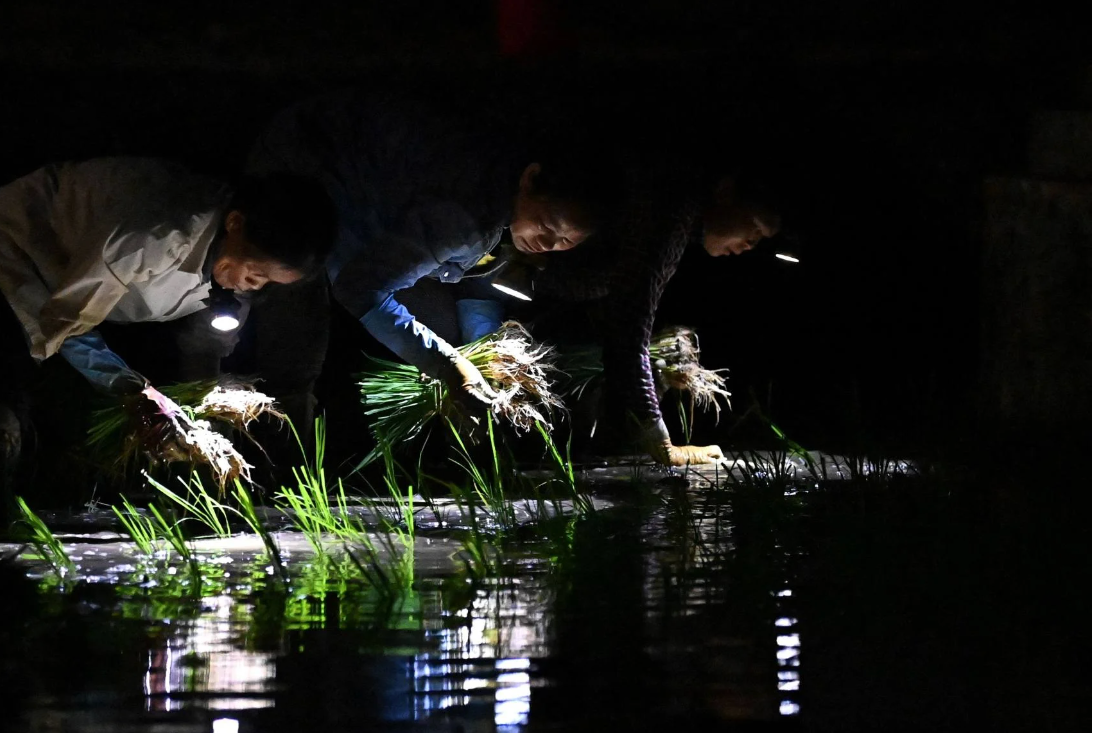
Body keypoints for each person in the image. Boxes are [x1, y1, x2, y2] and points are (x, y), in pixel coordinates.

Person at [0, 156, 337, 520]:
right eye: (256, 272)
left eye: (268, 282)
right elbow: (64, 323)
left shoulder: (229, 265)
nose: (255, 285)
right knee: (10, 385)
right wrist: (133, 390)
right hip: (21, 249)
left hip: (102, 294)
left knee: (105, 403)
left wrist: (202, 415)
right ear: (235, 223)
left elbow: (202, 345)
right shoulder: (155, 235)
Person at [246, 90, 615, 411]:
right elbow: (359, 288)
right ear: (530, 180)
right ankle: (281, 465)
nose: (548, 245)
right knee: (297, 330)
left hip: (378, 197)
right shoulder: (463, 215)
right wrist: (451, 367)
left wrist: (483, 353)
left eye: (565, 242)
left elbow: (475, 283)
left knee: (439, 328)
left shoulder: (512, 209)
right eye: (549, 228)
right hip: (305, 163)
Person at [526, 164, 785, 465]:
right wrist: (660, 441)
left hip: (534, 287)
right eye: (754, 227)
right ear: (725, 193)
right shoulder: (670, 211)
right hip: (508, 277)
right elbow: (628, 326)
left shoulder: (678, 220)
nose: (751, 244)